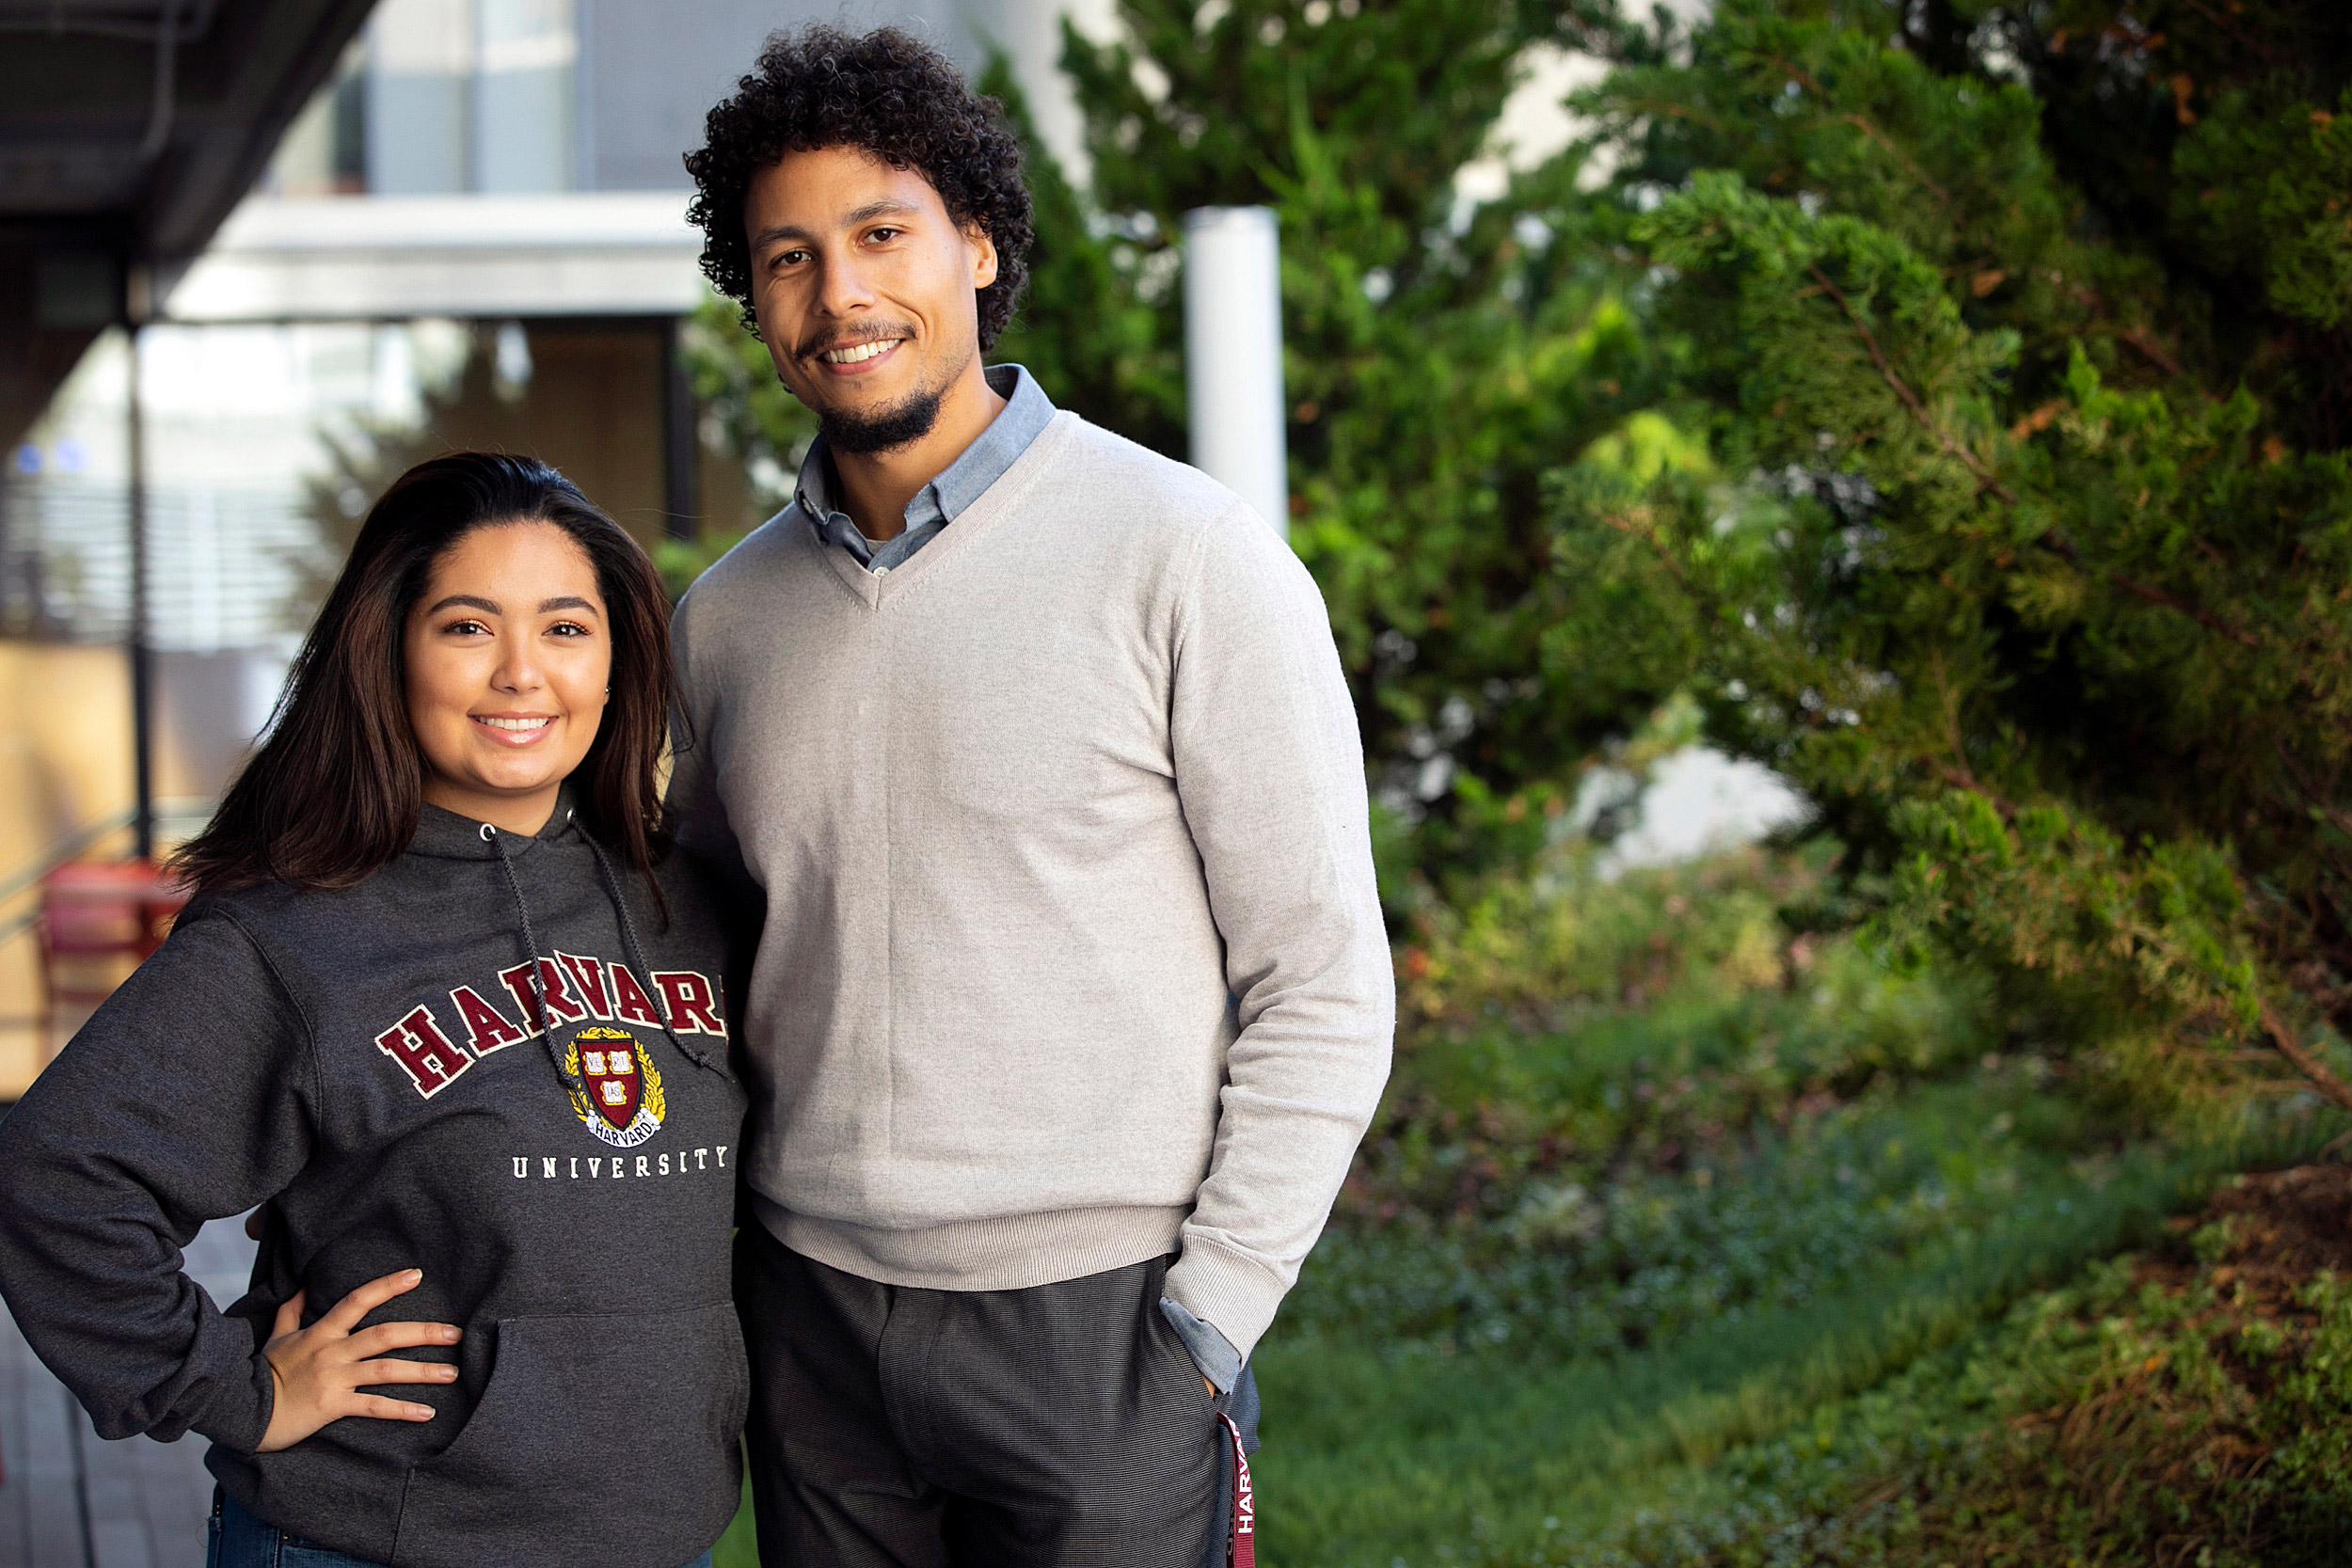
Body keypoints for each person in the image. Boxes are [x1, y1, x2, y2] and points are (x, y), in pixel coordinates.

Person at [672, 26, 1395, 1567]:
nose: (840, 295)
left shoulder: (1184, 556)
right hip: (813, 1324)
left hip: (1105, 1325)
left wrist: (1206, 1322)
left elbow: (1323, 976)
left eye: (881, 235)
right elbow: (710, 954)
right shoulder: (726, 622)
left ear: (979, 244)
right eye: (787, 257)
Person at [0, 454, 748, 1568]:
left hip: (666, 1531)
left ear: (616, 656)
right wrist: (232, 1386)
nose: (519, 674)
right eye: (464, 626)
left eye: (563, 627)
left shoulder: (683, 898)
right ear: (390, 649)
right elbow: (59, 1173)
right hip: (383, 1538)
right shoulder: (299, 927)